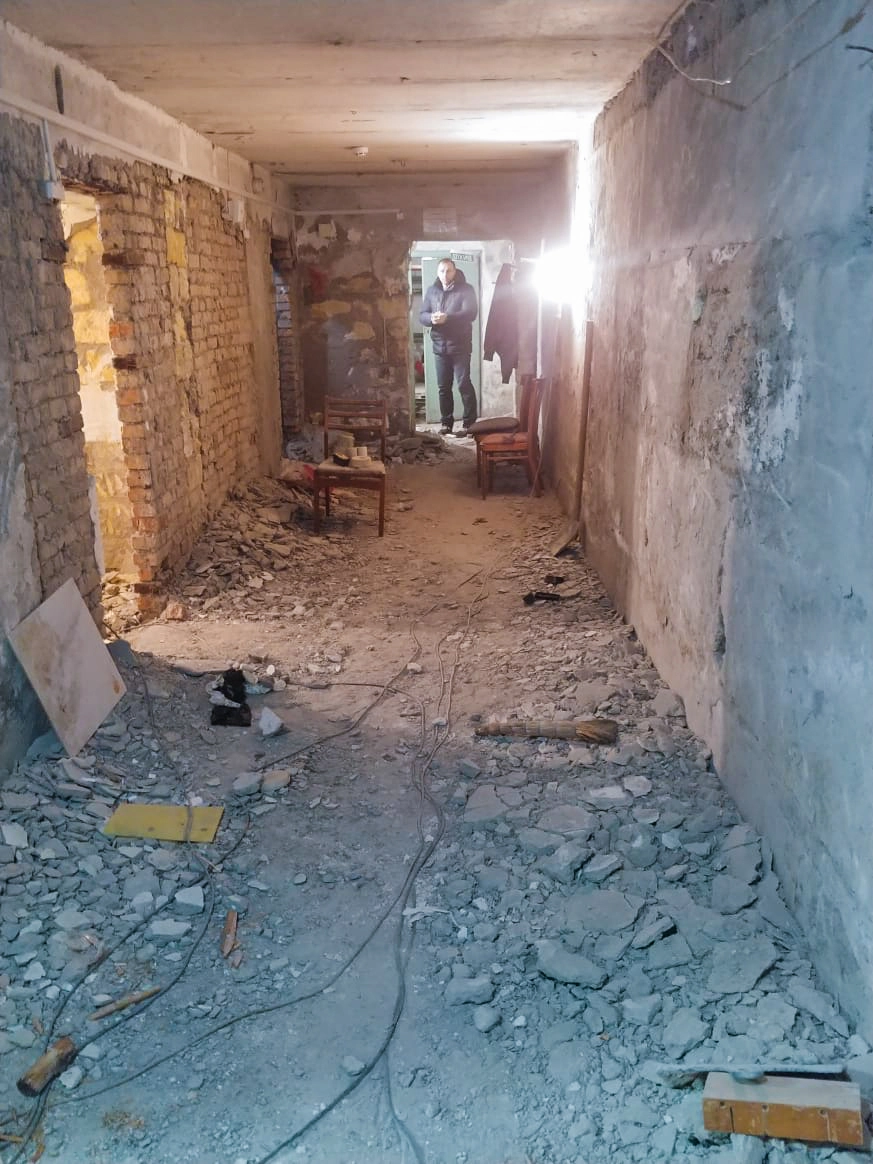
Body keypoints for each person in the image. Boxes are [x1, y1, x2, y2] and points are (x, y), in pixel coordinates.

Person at [419, 258, 478, 435]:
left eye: (449, 271)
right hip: (439, 346)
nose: (445, 274)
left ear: (455, 271)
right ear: (438, 272)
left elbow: (471, 313)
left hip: (460, 345)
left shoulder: (466, 289)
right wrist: (431, 318)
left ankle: (469, 424)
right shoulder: (432, 291)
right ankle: (446, 423)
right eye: (442, 271)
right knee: (443, 387)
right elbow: (422, 314)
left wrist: (447, 317)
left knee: (463, 383)